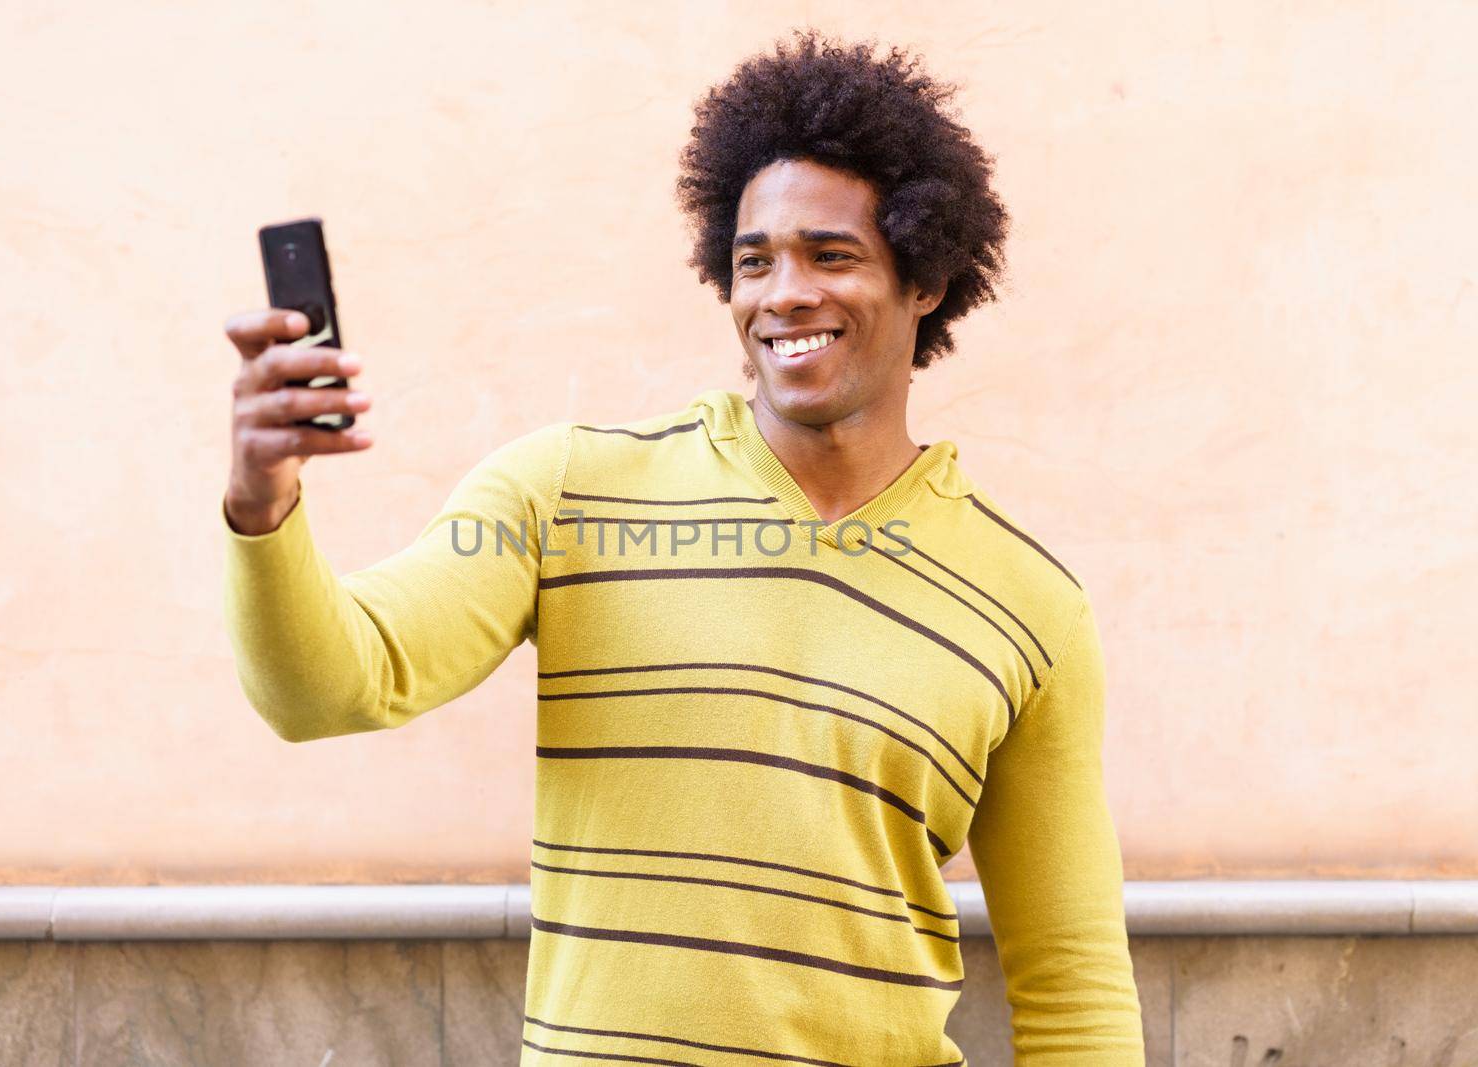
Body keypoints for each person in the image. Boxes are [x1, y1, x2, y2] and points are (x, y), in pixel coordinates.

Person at [221, 28, 1145, 1067]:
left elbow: (1072, 982)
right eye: (754, 262)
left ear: (923, 279)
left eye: (829, 255)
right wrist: (264, 501)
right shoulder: (564, 490)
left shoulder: (1030, 604)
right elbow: (327, 688)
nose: (781, 293)